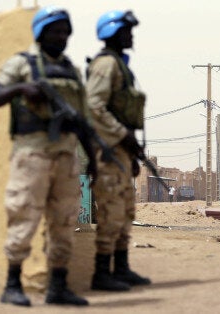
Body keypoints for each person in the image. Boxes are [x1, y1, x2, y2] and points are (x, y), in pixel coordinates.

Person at [0, 6, 88, 306]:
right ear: (41, 33)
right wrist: (21, 88)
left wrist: (92, 158)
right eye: (55, 31)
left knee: (64, 221)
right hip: (32, 155)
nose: (62, 37)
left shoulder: (72, 70)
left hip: (67, 156)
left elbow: (81, 118)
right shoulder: (21, 63)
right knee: (23, 216)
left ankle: (57, 286)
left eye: (65, 32)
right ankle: (12, 283)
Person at [86, 9, 150, 291]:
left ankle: (121, 268)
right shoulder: (105, 65)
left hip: (122, 151)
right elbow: (94, 106)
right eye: (126, 31)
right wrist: (123, 136)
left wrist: (132, 153)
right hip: (108, 150)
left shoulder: (121, 66)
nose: (131, 35)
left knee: (125, 211)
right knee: (111, 211)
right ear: (112, 33)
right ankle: (102, 273)